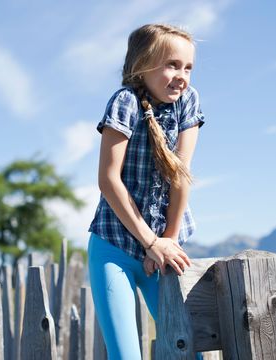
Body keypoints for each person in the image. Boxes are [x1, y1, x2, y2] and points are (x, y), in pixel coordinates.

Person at [87, 23, 205, 359]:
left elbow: (180, 176)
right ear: (142, 65)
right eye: (171, 65)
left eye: (188, 67)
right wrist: (149, 242)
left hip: (164, 252)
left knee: (187, 348)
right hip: (115, 248)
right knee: (125, 355)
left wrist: (166, 241)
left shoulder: (188, 102)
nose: (181, 75)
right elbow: (109, 180)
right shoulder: (124, 103)